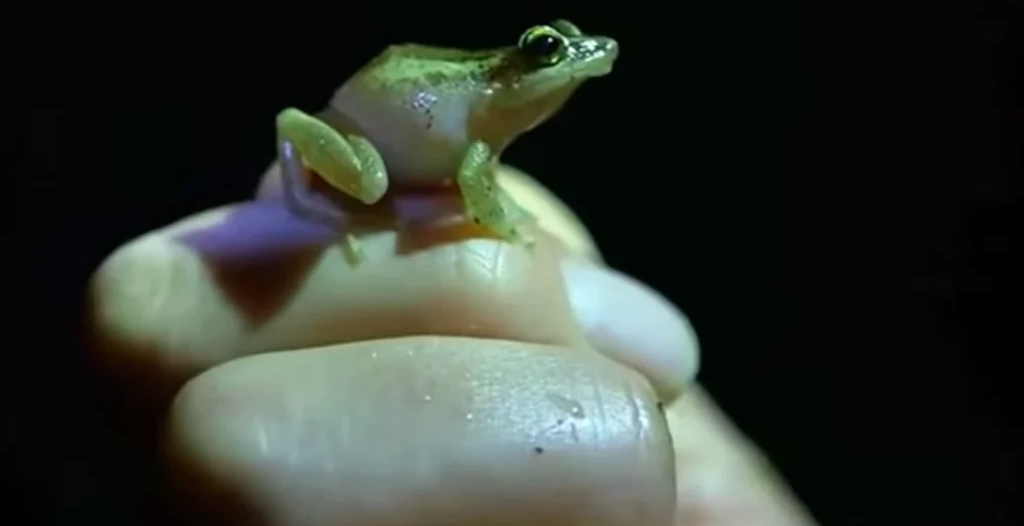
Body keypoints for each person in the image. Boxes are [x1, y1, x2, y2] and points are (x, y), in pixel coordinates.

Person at [87, 163, 818, 525]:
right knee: (483, 262)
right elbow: (473, 177)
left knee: (486, 267)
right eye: (546, 51)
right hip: (362, 160)